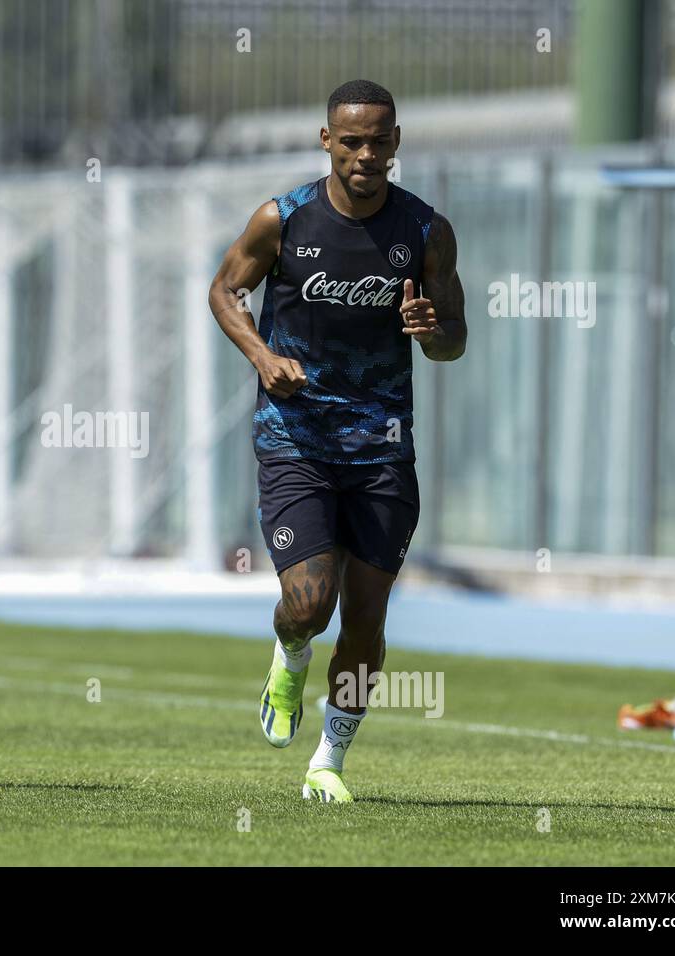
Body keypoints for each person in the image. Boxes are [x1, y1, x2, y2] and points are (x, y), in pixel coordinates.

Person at [208, 79, 467, 802]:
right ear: (327, 141)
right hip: (296, 438)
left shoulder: (424, 231)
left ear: (396, 143)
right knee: (309, 602)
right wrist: (263, 358)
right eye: (350, 140)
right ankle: (289, 656)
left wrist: (431, 331)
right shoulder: (282, 219)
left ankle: (329, 761)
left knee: (367, 618)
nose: (365, 154)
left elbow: (455, 338)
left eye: (378, 140)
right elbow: (225, 291)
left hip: (383, 447)